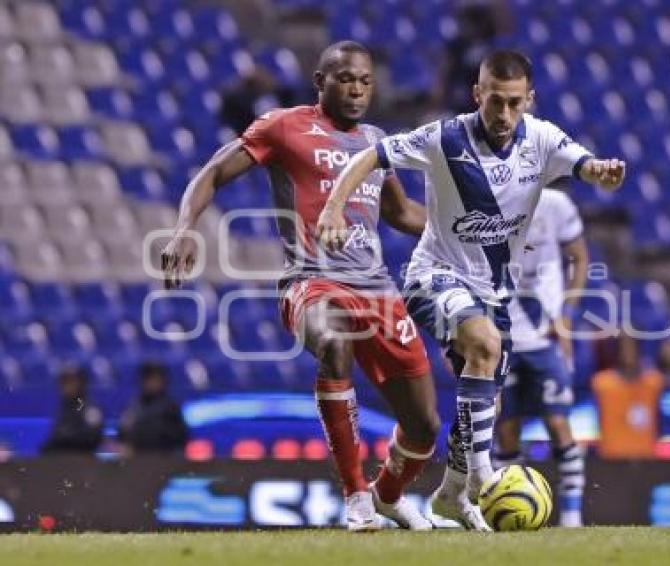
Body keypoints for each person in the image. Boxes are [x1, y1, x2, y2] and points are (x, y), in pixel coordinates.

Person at [317, 49, 625, 530]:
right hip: (432, 275)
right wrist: (335, 208)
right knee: (485, 344)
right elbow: (371, 156)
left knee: (485, 399)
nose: (503, 114)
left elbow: (585, 165)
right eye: (495, 102)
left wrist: (601, 173)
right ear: (477, 94)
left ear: (530, 100)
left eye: (514, 103)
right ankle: (484, 476)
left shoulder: (541, 139)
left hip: (493, 291)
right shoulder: (444, 137)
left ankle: (450, 495)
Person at [161, 41, 440, 531]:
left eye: (365, 82)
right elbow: (212, 172)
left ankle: (387, 496)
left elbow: (401, 213)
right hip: (310, 281)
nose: (356, 90)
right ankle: (355, 497)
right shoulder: (284, 126)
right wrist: (185, 227)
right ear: (321, 82)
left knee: (423, 427)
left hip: (377, 292)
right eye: (346, 79)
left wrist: (465, 233)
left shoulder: (375, 142)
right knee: (334, 343)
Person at [492, 188, 589, 527]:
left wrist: (567, 312)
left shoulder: (555, 203)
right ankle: (506, 509)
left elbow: (580, 256)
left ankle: (573, 517)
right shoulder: (487, 199)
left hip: (546, 333)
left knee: (558, 422)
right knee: (506, 428)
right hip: (502, 334)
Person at [592, 333, 664, 459]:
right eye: (624, 348)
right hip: (611, 458)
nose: (628, 353)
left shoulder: (654, 382)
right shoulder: (602, 384)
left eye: (632, 347)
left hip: (646, 458)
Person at [118, 363, 189, 455]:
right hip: (136, 460)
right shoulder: (133, 406)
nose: (153, 383)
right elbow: (122, 433)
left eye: (157, 380)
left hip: (164, 458)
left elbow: (181, 437)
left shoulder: (171, 408)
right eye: (150, 379)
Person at [41, 367, 103, 455]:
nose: (67, 386)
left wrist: (67, 436)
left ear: (82, 384)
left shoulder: (89, 408)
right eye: (64, 383)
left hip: (83, 457)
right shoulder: (64, 408)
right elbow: (56, 435)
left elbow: (92, 437)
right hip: (59, 456)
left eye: (72, 382)